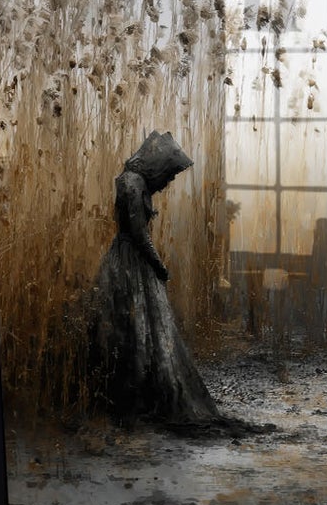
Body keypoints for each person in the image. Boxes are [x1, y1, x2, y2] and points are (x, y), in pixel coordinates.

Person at [87, 130, 231, 431]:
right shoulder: (132, 183)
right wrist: (159, 266)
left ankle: (131, 396)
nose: (168, 180)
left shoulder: (133, 182)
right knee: (134, 325)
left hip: (130, 259)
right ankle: (131, 398)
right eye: (168, 173)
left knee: (138, 327)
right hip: (130, 263)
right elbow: (139, 234)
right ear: (157, 164)